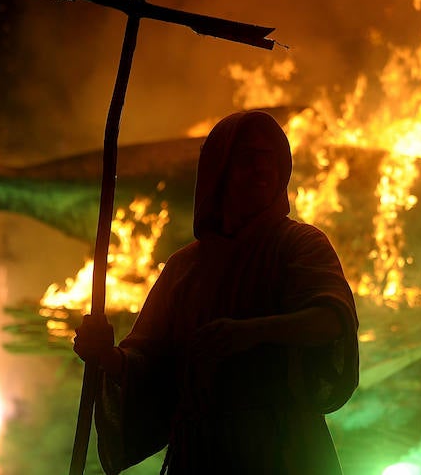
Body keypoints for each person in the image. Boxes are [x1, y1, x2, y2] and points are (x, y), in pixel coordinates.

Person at [74, 109, 359, 474]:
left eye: (268, 159)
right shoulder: (184, 268)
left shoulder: (300, 244)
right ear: (219, 171)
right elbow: (150, 368)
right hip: (201, 454)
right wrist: (105, 356)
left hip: (286, 449)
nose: (260, 170)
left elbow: (332, 318)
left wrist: (251, 332)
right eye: (246, 159)